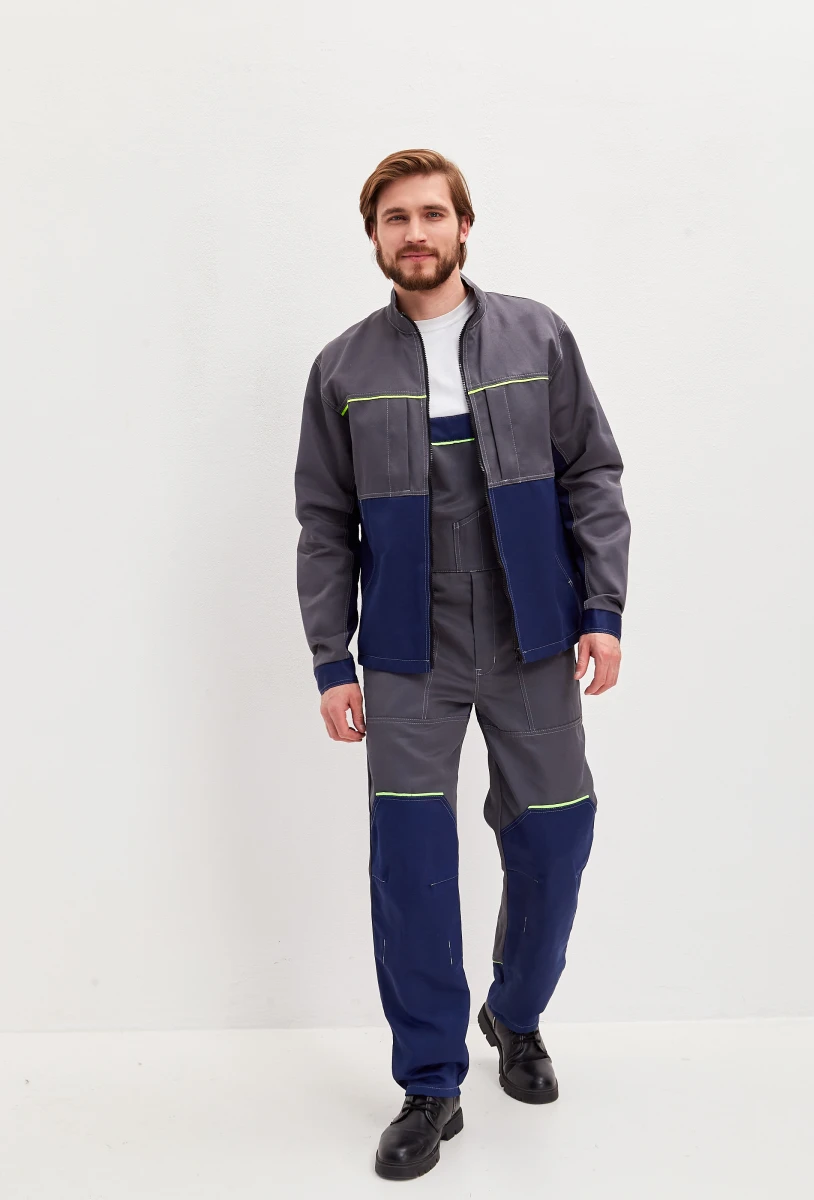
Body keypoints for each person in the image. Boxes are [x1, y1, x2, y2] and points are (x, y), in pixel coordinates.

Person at [293, 148, 631, 1181]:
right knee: (411, 865)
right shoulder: (343, 369)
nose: (416, 233)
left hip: (534, 638)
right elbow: (324, 525)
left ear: (464, 226)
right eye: (395, 218)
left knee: (558, 835)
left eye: (432, 214)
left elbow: (592, 474)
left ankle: (514, 1014)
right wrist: (332, 660)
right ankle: (431, 1085)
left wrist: (602, 608)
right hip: (407, 652)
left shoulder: (539, 336)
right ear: (375, 237)